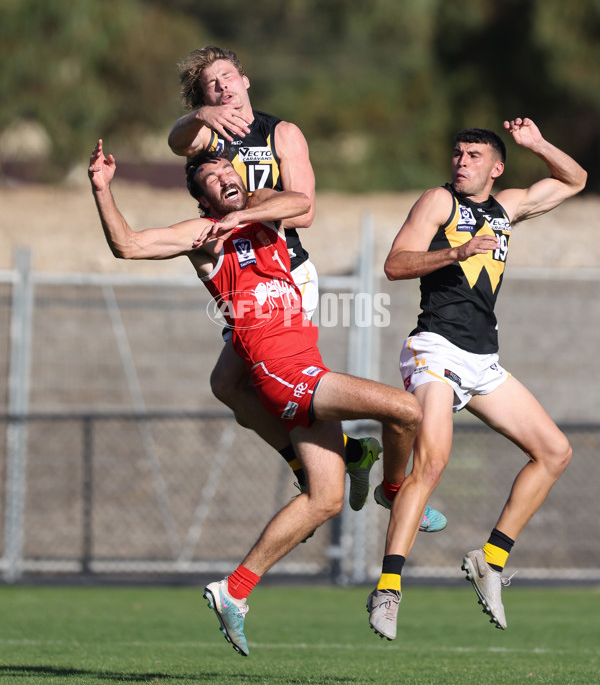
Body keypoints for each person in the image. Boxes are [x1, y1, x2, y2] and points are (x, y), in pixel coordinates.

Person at [88, 141, 423, 656]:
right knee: (406, 410)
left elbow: (300, 204)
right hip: (279, 372)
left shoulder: (265, 206)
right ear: (203, 199)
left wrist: (247, 211)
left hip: (308, 366)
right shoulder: (203, 236)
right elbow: (127, 246)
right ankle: (395, 492)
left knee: (326, 499)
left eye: (228, 168)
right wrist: (102, 189)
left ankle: (234, 591)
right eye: (212, 177)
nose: (226, 177)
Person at [168, 46, 445, 526]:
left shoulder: (281, 133)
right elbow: (176, 142)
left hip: (285, 274)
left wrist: (245, 213)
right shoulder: (206, 142)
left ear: (246, 80)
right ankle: (348, 455)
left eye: (228, 76)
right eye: (211, 85)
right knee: (227, 385)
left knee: (265, 385)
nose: (223, 87)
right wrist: (199, 115)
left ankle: (346, 470)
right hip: (244, 277)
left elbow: (307, 210)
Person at [367, 118, 587, 640]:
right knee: (435, 461)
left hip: (482, 358)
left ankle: (490, 559)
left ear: (496, 167)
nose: (461, 162)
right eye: (458, 154)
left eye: (472, 156)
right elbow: (395, 265)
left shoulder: (507, 207)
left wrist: (538, 144)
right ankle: (389, 589)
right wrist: (457, 251)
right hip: (435, 347)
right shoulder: (439, 203)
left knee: (555, 452)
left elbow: (575, 180)